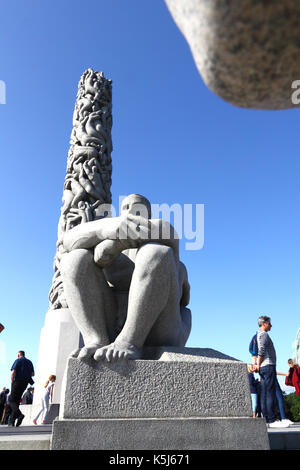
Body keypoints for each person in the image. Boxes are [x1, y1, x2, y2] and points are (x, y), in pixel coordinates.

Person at [60, 193, 192, 363]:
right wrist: (107, 229)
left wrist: (115, 243)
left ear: (149, 215)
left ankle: (131, 341)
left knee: (156, 252)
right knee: (74, 259)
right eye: (125, 207)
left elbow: (185, 298)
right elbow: (68, 240)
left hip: (159, 327)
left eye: (138, 208)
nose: (131, 211)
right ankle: (96, 339)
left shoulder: (162, 231)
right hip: (113, 320)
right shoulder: (109, 231)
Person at [252, 316, 290, 428]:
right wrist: (258, 364)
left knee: (264, 393)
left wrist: (258, 365)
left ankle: (267, 419)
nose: (271, 325)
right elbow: (261, 350)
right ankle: (272, 420)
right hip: (268, 366)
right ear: (264, 324)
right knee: (270, 393)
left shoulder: (259, 334)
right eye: (269, 323)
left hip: (265, 367)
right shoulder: (263, 334)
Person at [9, 350, 34, 426]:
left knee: (11, 400)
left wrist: (12, 382)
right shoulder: (29, 362)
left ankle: (20, 415)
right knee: (16, 401)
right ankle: (12, 422)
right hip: (25, 383)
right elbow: (32, 374)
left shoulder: (18, 360)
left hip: (17, 382)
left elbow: (13, 372)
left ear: (19, 355)